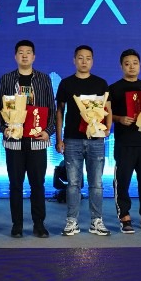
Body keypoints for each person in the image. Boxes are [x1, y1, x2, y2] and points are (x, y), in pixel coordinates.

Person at [0, 39, 57, 238]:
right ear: (15, 56)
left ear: (34, 56)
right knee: (15, 185)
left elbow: (51, 109)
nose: (24, 55)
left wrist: (48, 131)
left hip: (37, 140)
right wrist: (4, 128)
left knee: (37, 185)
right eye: (21, 52)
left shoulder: (43, 79)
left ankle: (39, 224)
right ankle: (17, 225)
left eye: (28, 52)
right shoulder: (6, 79)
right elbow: (0, 109)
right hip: (14, 141)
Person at [56, 45, 112, 237]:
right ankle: (72, 221)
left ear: (92, 61)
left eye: (88, 58)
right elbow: (59, 112)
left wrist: (107, 129)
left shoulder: (100, 83)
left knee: (96, 183)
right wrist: (59, 138)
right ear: (74, 60)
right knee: (73, 184)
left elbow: (108, 109)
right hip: (72, 140)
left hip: (96, 140)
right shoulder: (66, 83)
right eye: (80, 58)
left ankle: (97, 221)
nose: (84, 61)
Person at [106, 49, 141, 233]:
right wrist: (119, 119)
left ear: (140, 65)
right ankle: (124, 216)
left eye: (135, 63)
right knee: (122, 181)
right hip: (124, 142)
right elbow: (106, 114)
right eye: (127, 63)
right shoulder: (113, 88)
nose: (131, 66)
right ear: (121, 66)